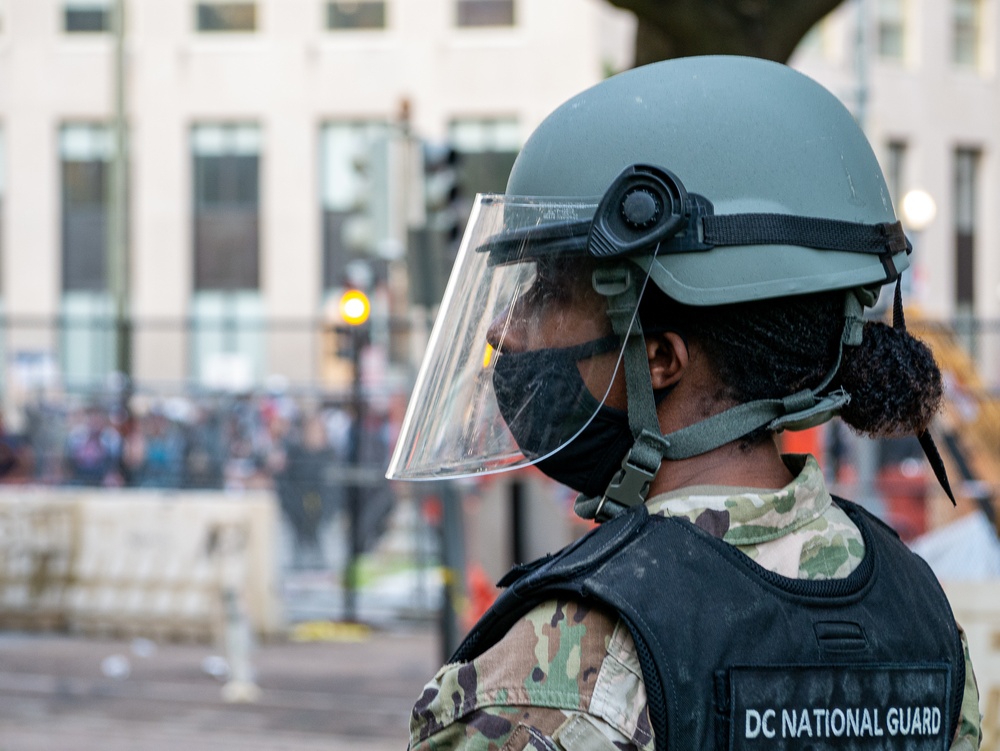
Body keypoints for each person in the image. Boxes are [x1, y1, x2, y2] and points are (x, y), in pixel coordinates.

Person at [388, 56, 982, 751]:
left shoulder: (555, 670)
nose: (502, 328)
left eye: (547, 291)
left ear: (662, 357)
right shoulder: (920, 615)